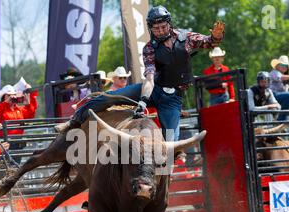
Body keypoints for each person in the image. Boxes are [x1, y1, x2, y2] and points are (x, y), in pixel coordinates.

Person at [55, 6, 225, 142]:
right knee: (109, 97)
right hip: (153, 90)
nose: (159, 31)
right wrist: (143, 101)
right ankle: (73, 121)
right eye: (155, 28)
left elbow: (208, 42)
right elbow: (149, 77)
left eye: (163, 27)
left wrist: (216, 37)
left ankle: (163, 176)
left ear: (170, 24)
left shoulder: (186, 37)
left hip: (173, 99)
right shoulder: (149, 48)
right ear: (150, 28)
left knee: (172, 141)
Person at [0, 82, 39, 164]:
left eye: (13, 95)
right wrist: (6, 102)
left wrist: (30, 97)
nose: (12, 97)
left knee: (15, 167)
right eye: (9, 95)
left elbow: (31, 113)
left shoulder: (19, 109)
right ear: (4, 97)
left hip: (17, 143)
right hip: (4, 143)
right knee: (3, 168)